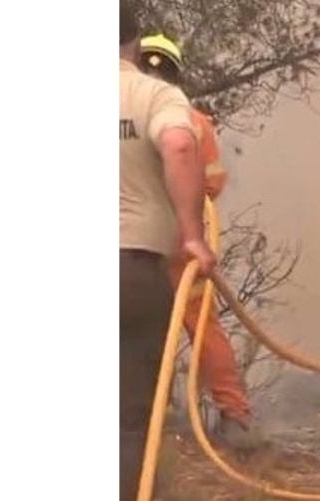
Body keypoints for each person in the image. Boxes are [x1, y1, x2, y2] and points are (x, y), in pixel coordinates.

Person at [138, 33, 261, 450]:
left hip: (132, 238)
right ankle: (234, 417)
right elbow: (212, 182)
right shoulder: (194, 121)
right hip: (183, 241)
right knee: (201, 325)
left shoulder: (122, 111)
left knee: (133, 322)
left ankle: (144, 412)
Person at [119, 4, 215, 501]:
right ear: (135, 43)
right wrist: (191, 233)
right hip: (131, 267)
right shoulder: (152, 94)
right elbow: (179, 146)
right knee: (132, 416)